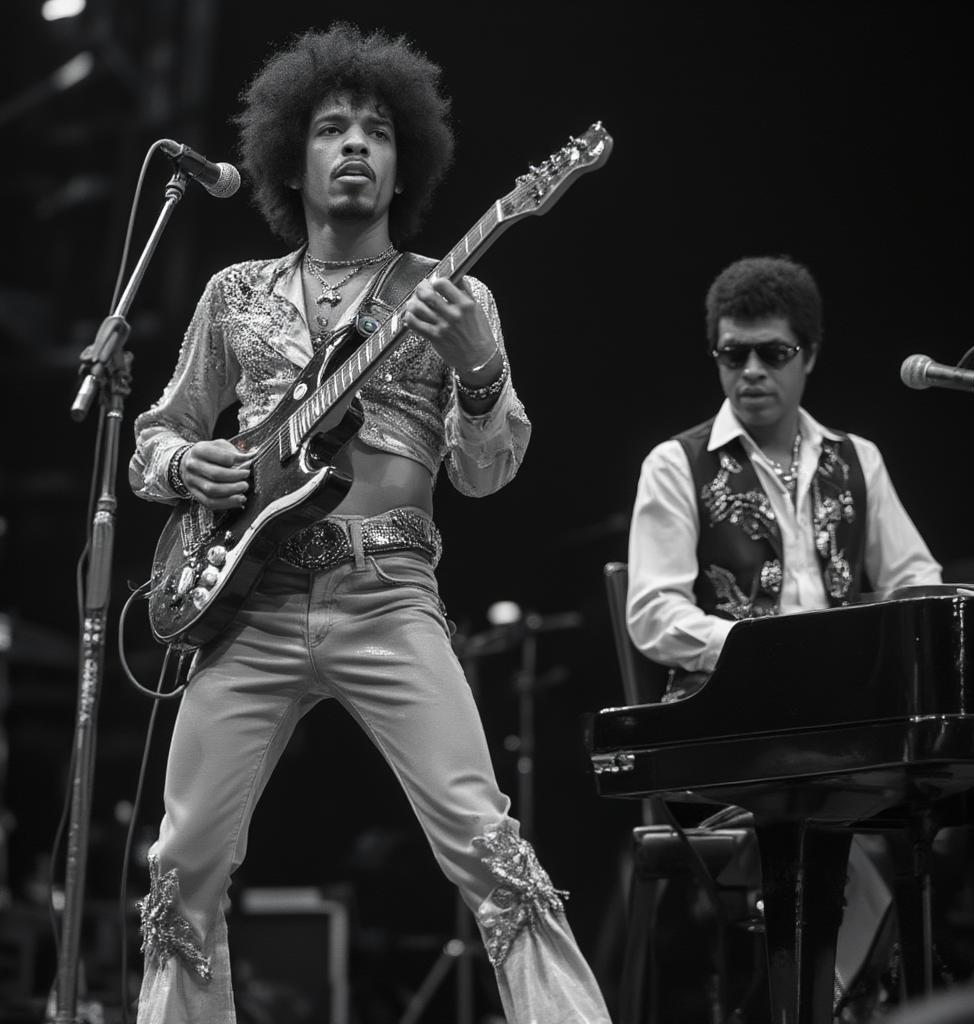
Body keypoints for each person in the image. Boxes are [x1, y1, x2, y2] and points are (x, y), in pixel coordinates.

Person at [128, 22, 611, 1024]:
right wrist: (191, 460)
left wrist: (480, 370)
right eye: (333, 129)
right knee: (181, 863)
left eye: (378, 132)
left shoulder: (449, 295)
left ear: (404, 166)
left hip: (386, 593)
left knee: (487, 844)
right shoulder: (232, 296)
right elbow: (154, 433)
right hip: (243, 601)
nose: (356, 144)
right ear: (288, 159)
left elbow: (487, 473)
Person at [625, 254, 943, 1012]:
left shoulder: (857, 460)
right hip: (726, 736)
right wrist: (768, 657)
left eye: (774, 353)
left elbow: (918, 583)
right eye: (733, 354)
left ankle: (817, 997)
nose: (752, 371)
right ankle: (830, 999)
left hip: (841, 739)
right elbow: (654, 614)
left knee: (920, 807)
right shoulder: (678, 464)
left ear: (810, 355)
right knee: (850, 815)